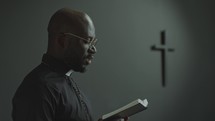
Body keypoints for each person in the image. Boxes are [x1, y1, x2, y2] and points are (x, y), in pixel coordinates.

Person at [12, 8, 128, 121]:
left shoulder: (64, 83)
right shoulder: (37, 88)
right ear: (62, 40)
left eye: (94, 42)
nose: (94, 49)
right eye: (87, 41)